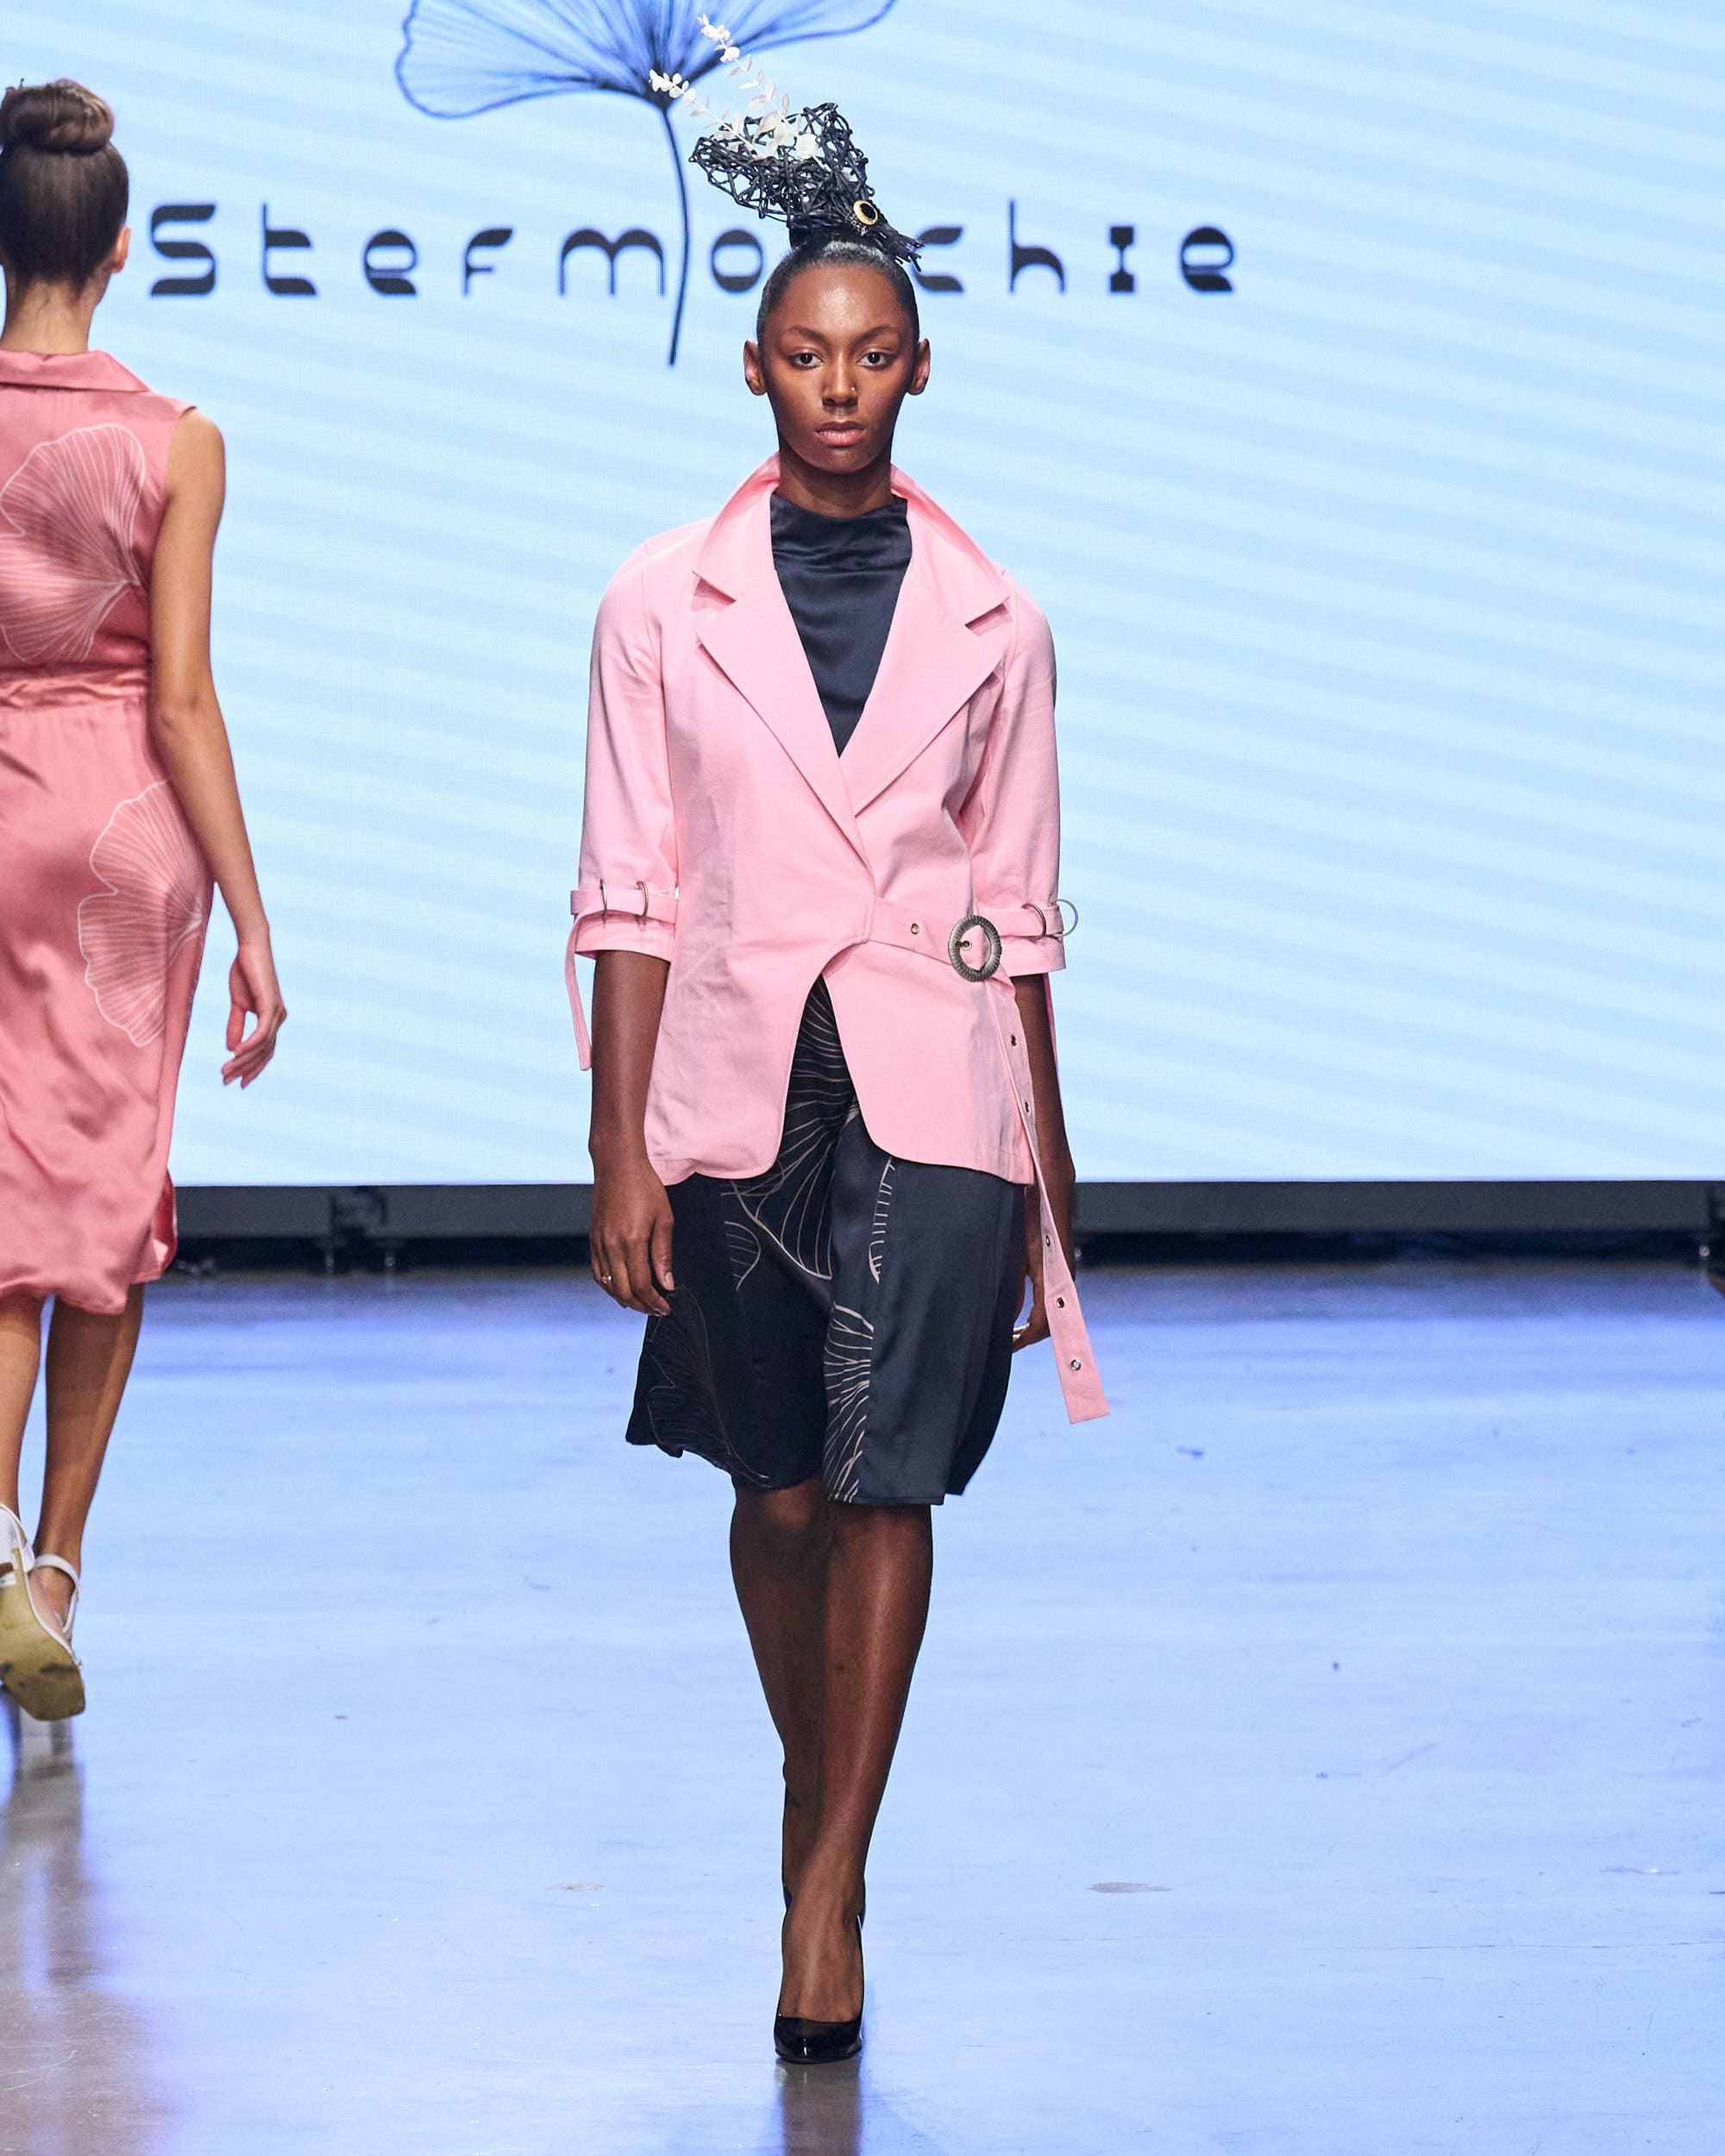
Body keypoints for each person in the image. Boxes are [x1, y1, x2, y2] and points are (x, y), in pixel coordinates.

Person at [569, 44, 1107, 2064]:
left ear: (918, 370)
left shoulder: (1002, 624)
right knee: (781, 1490)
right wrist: (616, 1150)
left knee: (892, 1485)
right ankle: (820, 1797)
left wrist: (1050, 1167)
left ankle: (826, 1890)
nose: (838, 385)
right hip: (735, 1087)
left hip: (936, 1082)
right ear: (754, 368)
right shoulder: (656, 602)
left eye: (872, 355)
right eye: (805, 354)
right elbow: (629, 889)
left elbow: (1017, 913)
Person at [0, 81, 285, 1721]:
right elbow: (181, 701)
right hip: (117, 835)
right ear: (122, 250)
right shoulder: (178, 439)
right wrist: (254, 917)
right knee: (105, 1200)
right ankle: (52, 1571)